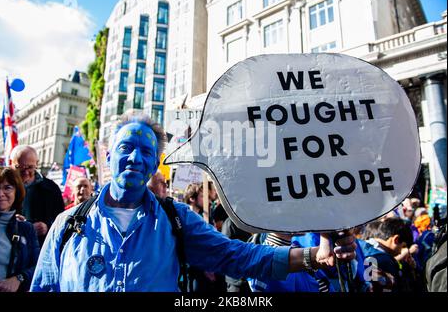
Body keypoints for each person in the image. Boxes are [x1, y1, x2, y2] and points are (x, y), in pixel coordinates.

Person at [30, 112, 356, 292]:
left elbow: (239, 256)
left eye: (146, 152)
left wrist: (315, 255)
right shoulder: (68, 225)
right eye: (126, 147)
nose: (134, 158)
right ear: (109, 154)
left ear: (155, 163)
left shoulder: (176, 219)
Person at [10, 146, 64, 245]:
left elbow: (61, 219)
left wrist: (47, 226)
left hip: (40, 246)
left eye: (30, 167)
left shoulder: (51, 188)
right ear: (12, 164)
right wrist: (12, 222)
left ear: (36, 164)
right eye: (20, 167)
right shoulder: (2, 187)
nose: (26, 172)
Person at [0, 167, 40, 292]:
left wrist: (19, 278)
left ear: (17, 192)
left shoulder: (25, 228)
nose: (0, 193)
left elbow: (38, 265)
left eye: (7, 187)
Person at [358, 218, 414, 292]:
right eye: (403, 246)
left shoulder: (359, 246)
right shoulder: (386, 261)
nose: (401, 252)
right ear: (396, 239)